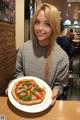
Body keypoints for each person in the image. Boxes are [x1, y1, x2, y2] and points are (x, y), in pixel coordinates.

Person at [6, 3, 69, 105]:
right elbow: (19, 73)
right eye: (37, 22)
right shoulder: (24, 48)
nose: (40, 28)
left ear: (54, 26)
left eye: (47, 24)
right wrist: (16, 84)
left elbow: (60, 84)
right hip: (22, 104)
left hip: (46, 104)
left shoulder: (62, 57)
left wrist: (56, 91)